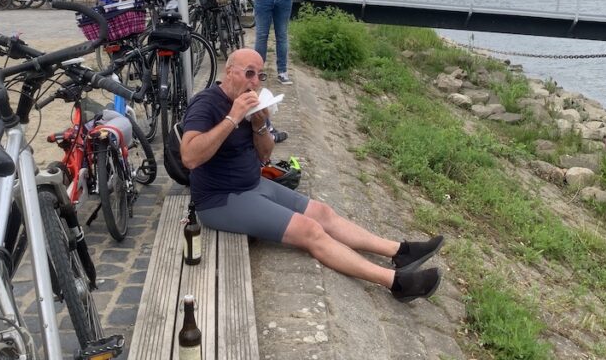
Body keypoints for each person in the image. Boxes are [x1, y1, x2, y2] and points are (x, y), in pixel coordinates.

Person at [180, 48, 443, 303]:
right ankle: (396, 282)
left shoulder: (252, 102)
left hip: (254, 184)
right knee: (310, 230)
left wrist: (259, 125)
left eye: (260, 75)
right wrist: (233, 118)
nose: (255, 82)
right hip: (220, 200)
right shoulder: (207, 103)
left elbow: (265, 154)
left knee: (323, 212)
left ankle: (399, 251)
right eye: (249, 73)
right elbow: (190, 157)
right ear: (229, 72)